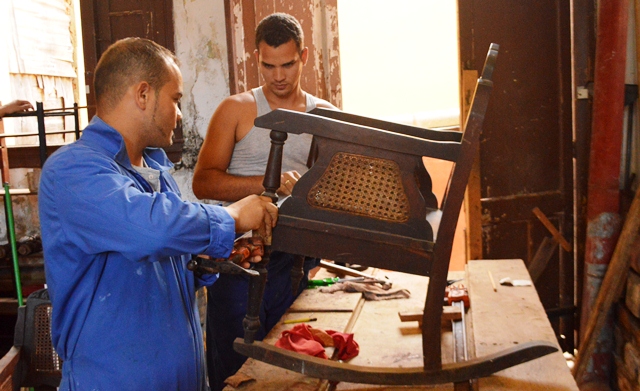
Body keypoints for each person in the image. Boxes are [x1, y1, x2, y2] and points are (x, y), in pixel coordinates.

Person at [38, 37, 278, 391]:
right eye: (176, 100)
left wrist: (210, 254)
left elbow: (158, 261)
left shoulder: (153, 170)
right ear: (143, 94)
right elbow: (148, 229)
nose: (179, 114)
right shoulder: (73, 171)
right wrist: (231, 218)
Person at [192, 12, 337, 391]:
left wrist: (308, 192)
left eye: (288, 64)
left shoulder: (327, 117)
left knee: (294, 364)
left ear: (304, 57)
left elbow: (335, 193)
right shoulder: (236, 109)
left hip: (296, 258)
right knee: (235, 366)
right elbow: (202, 182)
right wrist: (268, 186)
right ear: (256, 57)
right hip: (240, 258)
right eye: (268, 65)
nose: (278, 76)